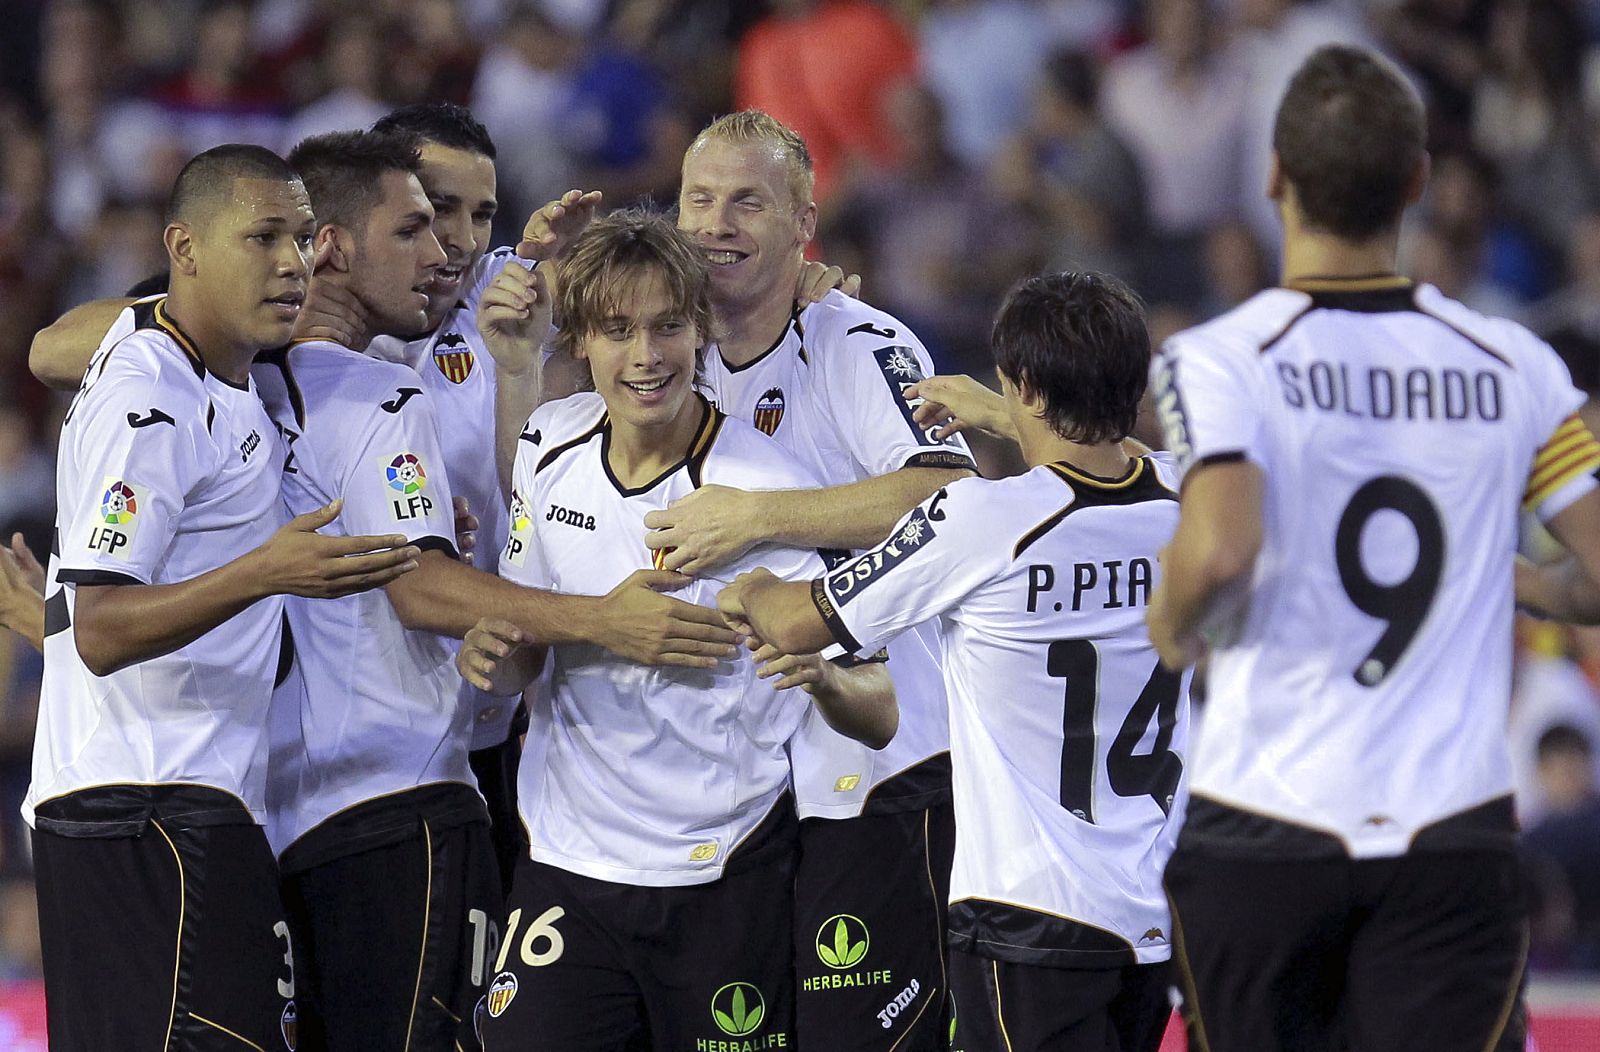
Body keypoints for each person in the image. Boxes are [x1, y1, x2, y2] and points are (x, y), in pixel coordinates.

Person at [1144, 45, 1600, 1052]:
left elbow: (1219, 547)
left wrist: (1170, 624)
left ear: (1273, 177)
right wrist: (1509, 580)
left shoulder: (1217, 357)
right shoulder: (1513, 361)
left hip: (1264, 821)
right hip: (1449, 832)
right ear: (1417, 182)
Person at [522, 112, 972, 1050]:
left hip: (880, 774)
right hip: (763, 797)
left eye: (748, 202)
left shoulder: (849, 338)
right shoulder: (679, 362)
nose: (718, 222)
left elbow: (950, 492)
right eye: (701, 199)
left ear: (804, 223)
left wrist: (762, 517)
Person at [457, 209, 896, 1050]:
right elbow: (524, 646)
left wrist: (827, 678)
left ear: (700, 328)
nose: (645, 356)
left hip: (724, 876)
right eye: (617, 331)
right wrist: (499, 650)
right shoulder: (547, 449)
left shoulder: (766, 491)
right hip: (568, 868)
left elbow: (878, 705)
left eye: (666, 327)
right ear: (580, 339)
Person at [718, 270, 1189, 1052]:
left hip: (1028, 915)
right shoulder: (1186, 503)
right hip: (1153, 914)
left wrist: (753, 577)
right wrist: (1020, 414)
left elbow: (802, 622)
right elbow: (1118, 459)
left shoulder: (979, 518)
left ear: (1027, 386)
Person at [27, 144, 419, 1052]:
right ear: (184, 247)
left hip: (181, 801)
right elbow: (102, 626)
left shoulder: (223, 374)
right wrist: (267, 571)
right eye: (262, 237)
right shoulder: (149, 400)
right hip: (148, 813)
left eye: (302, 237)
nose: (292, 262)